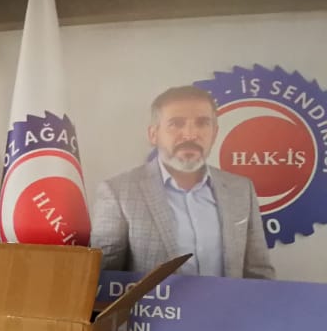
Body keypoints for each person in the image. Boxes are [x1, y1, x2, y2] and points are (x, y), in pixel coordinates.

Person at [91, 84, 274, 279]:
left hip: (230, 301)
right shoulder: (118, 192)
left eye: (202, 123)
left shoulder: (241, 189)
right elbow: (102, 278)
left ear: (214, 133)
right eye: (176, 123)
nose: (190, 134)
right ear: (153, 134)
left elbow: (259, 274)